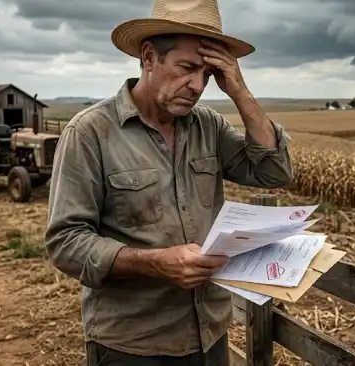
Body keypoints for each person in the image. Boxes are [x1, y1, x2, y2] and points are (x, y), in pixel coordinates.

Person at [43, 0, 294, 364]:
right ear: (148, 58)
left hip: (209, 333)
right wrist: (155, 262)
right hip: (133, 343)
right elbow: (65, 243)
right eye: (187, 68)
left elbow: (274, 172)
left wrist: (239, 90)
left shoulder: (207, 126)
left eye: (208, 75)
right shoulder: (90, 132)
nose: (196, 86)